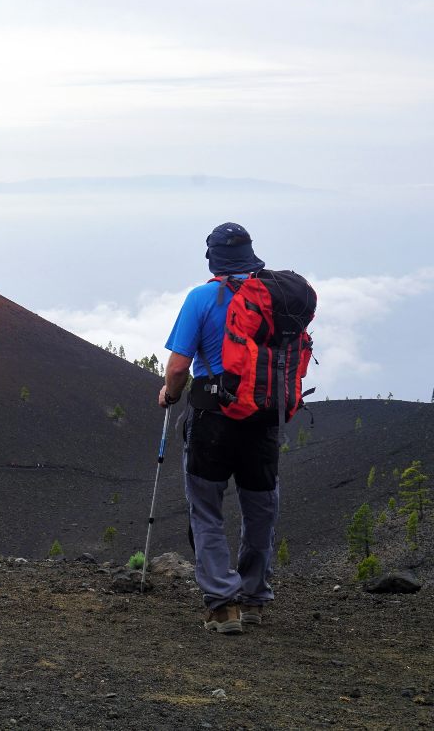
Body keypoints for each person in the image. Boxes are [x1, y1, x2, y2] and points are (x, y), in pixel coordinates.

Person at [158, 222, 277, 635]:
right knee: (260, 508)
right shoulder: (273, 297)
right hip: (262, 418)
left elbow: (177, 367)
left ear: (213, 259)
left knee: (206, 509)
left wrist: (170, 395)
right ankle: (255, 600)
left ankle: (223, 607)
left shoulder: (203, 296)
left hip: (213, 418)